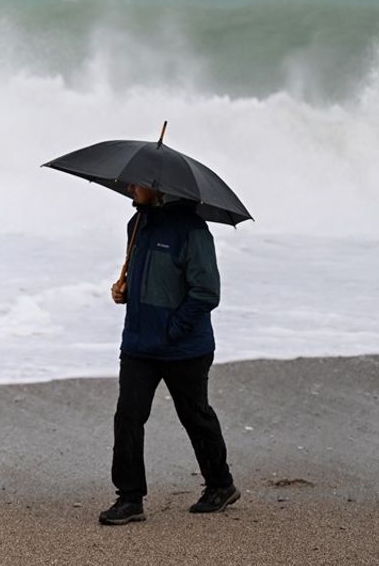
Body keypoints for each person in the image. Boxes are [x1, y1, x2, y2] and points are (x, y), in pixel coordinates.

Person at [98, 182, 238, 526]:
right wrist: (125, 291)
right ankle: (129, 499)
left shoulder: (193, 232)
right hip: (138, 345)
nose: (132, 186)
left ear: (160, 189)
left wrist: (172, 329)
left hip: (184, 348)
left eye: (139, 183)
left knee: (195, 416)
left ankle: (221, 485)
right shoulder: (137, 225)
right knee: (128, 416)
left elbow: (207, 292)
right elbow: (150, 282)